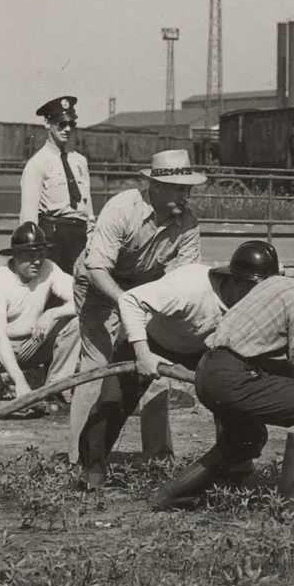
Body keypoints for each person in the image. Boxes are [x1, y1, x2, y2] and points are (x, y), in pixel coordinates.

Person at [156, 236, 294, 509]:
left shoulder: (277, 283)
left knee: (246, 441)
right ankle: (293, 506)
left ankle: (173, 496)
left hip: (208, 371)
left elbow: (284, 360)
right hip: (233, 376)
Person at [78, 239, 281, 492]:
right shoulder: (190, 287)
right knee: (114, 401)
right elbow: (130, 301)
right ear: (236, 280)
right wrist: (142, 354)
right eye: (259, 288)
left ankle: (236, 468)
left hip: (202, 348)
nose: (264, 297)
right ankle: (91, 471)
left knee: (234, 395)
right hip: (151, 338)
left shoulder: (254, 302)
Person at [64, 149, 206, 467]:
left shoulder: (189, 224)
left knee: (155, 367)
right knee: (97, 365)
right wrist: (127, 306)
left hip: (145, 292)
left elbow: (185, 281)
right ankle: (80, 458)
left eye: (189, 189)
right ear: (154, 186)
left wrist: (154, 320)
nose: (186, 195)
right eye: (179, 188)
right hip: (99, 285)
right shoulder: (122, 208)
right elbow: (97, 269)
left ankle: (158, 456)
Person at [0, 221, 79, 400]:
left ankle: (55, 389)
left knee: (76, 324)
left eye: (41, 255)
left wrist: (52, 313)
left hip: (33, 342)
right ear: (16, 255)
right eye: (30, 256)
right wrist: (20, 381)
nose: (37, 262)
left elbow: (83, 300)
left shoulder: (48, 268)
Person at [19, 95, 93, 274]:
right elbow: (29, 214)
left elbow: (87, 207)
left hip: (80, 236)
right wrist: (32, 250)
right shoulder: (38, 163)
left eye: (71, 124)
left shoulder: (79, 161)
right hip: (53, 236)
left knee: (82, 291)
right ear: (47, 124)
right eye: (61, 124)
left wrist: (91, 234)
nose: (67, 129)